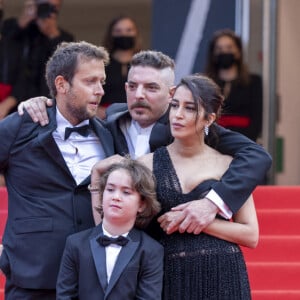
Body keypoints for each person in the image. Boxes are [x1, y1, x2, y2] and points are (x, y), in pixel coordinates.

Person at [18, 50, 272, 234]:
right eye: (133, 86)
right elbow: (67, 105)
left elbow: (257, 156)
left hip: (168, 245)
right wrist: (40, 102)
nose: (139, 95)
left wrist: (211, 203)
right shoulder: (108, 121)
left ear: (171, 93)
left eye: (151, 87)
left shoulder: (188, 126)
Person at [0, 41, 115, 299]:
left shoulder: (110, 134)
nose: (100, 91)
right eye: (90, 81)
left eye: (102, 82)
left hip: (93, 281)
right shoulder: (21, 125)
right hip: (32, 278)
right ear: (62, 85)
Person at [138, 74, 259, 299]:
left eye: (190, 108)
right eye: (175, 106)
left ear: (209, 119)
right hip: (169, 276)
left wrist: (200, 220)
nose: (178, 114)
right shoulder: (145, 165)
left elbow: (251, 234)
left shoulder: (228, 164)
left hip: (224, 275)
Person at [56, 158, 163, 300]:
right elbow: (65, 295)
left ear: (142, 205)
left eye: (126, 192)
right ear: (102, 194)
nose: (116, 197)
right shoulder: (75, 243)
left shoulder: (151, 250)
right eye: (110, 189)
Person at [0, 0, 74, 120]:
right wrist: (24, 19)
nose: (45, 9)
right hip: (11, 98)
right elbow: (6, 43)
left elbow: (66, 63)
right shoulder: (14, 27)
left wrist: (52, 34)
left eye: (52, 7)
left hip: (43, 101)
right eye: (42, 5)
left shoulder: (64, 37)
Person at [205, 28, 263, 141]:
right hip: (212, 142)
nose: (224, 52)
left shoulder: (253, 81)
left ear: (238, 52)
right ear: (213, 53)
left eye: (229, 47)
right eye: (219, 48)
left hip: (244, 142)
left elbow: (257, 121)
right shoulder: (205, 82)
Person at [97, 15, 142, 119]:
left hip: (137, 119)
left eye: (129, 30)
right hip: (105, 120)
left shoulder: (144, 65)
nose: (124, 34)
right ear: (111, 34)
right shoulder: (100, 65)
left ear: (136, 33)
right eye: (118, 31)